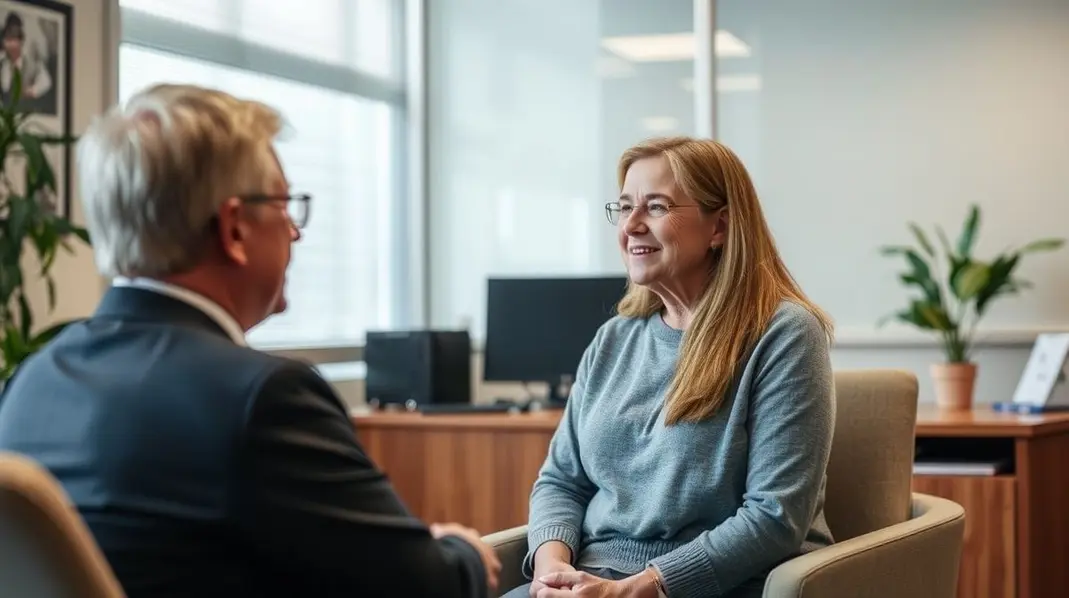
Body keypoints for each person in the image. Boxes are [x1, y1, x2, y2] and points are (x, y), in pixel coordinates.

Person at [0, 84, 500, 598]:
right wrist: (459, 551)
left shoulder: (31, 380)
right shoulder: (262, 398)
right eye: (285, 205)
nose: (296, 232)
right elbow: (424, 589)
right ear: (234, 228)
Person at [506, 137, 836, 598]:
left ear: (718, 227)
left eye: (656, 207)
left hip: (719, 585)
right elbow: (562, 480)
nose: (632, 225)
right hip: (593, 577)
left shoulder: (784, 334)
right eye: (624, 208)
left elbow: (774, 517)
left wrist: (639, 588)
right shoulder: (613, 339)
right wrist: (552, 572)